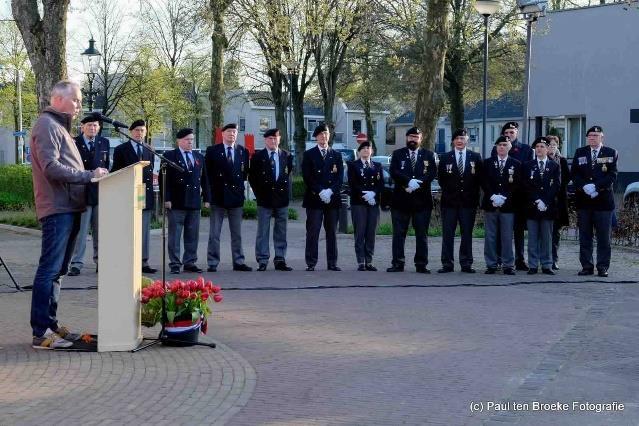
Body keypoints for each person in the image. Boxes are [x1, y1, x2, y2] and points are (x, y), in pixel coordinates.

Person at [29, 80, 108, 349]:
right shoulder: (46, 125)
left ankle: (51, 324)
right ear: (58, 99)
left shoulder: (60, 127)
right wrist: (88, 176)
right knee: (49, 269)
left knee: (59, 270)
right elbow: (50, 167)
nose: (79, 104)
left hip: (70, 207)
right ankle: (40, 332)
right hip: (57, 208)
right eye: (76, 99)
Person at [386, 127, 437, 273]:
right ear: (406, 138)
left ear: (421, 139)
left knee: (422, 234)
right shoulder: (397, 154)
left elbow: (432, 173)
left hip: (422, 202)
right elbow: (394, 172)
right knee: (399, 234)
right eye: (410, 137)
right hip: (401, 201)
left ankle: (421, 264)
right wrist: (407, 182)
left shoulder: (428, 155)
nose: (413, 139)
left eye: (416, 137)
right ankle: (398, 263)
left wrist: (417, 183)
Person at [571, 125, 617, 277]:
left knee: (604, 237)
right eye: (590, 135)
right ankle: (587, 266)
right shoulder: (580, 152)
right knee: (585, 236)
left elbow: (612, 175)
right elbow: (575, 174)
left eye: (595, 135)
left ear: (601, 137)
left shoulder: (611, 152)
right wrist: (584, 186)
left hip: (603, 202)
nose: (592, 138)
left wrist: (596, 187)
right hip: (584, 202)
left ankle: (602, 267)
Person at [205, 123, 252, 272]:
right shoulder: (212, 151)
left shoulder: (242, 151)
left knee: (237, 233)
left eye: (235, 132)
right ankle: (212, 262)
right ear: (222, 134)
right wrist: (207, 195)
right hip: (218, 197)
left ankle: (238, 261)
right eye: (229, 131)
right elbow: (207, 175)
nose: (232, 134)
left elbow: (244, 174)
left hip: (235, 197)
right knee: (214, 233)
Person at [111, 119, 156, 274]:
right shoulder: (121, 150)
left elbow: (149, 174)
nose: (139, 133)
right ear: (131, 132)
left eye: (142, 130)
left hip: (143, 192)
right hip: (127, 193)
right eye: (137, 130)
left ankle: (143, 261)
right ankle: (127, 260)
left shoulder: (149, 149)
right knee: (128, 229)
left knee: (143, 229)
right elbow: (115, 172)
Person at [67, 113, 110, 276]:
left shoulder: (103, 142)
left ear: (99, 128)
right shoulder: (75, 143)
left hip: (100, 192)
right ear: (82, 127)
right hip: (82, 191)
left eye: (95, 126)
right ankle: (77, 263)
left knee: (100, 230)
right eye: (89, 125)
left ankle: (100, 261)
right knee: (81, 231)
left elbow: (106, 165)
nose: (93, 128)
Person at [163, 128, 209, 274]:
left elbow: (205, 179)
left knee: (192, 234)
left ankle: (190, 262)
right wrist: (167, 198)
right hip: (176, 202)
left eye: (191, 139)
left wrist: (207, 198)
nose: (190, 142)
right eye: (187, 140)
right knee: (175, 235)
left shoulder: (198, 157)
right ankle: (175, 263)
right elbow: (165, 180)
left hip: (194, 202)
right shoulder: (169, 156)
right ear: (179, 141)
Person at [437, 129, 483, 273]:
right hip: (449, 203)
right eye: (456, 138)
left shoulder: (475, 157)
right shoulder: (445, 157)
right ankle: (447, 264)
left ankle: (466, 263)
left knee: (467, 234)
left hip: (468, 203)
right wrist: (450, 193)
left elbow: (479, 180)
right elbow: (441, 179)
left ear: (467, 139)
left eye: (462, 138)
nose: (459, 141)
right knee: (448, 234)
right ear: (453, 141)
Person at [248, 128, 294, 271]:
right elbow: (252, 178)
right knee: (263, 231)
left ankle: (280, 258)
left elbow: (287, 175)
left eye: (275, 138)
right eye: (270, 139)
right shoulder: (257, 157)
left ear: (279, 139)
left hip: (281, 199)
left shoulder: (286, 155)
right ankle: (262, 259)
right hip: (265, 199)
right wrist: (259, 194)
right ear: (265, 140)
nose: (273, 141)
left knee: (281, 231)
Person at [302, 123, 344, 271]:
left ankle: (332, 262)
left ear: (329, 135)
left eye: (325, 134)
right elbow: (307, 177)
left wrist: (330, 191)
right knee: (313, 231)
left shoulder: (337, 155)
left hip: (332, 199)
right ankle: (311, 262)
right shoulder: (309, 155)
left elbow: (340, 178)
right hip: (315, 199)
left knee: (331, 231)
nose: (323, 137)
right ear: (316, 137)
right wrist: (320, 191)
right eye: (320, 134)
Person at [493, 122, 534, 270]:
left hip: (518, 197)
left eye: (512, 132)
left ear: (517, 132)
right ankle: (499, 258)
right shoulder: (497, 148)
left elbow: (528, 172)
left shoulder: (526, 149)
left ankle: (519, 259)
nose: (509, 135)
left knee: (518, 230)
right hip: (500, 197)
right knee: (500, 230)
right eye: (506, 133)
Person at [481, 136, 521, 275]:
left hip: (508, 205)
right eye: (499, 145)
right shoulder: (487, 163)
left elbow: (517, 185)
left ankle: (508, 265)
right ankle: (491, 264)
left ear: (509, 147)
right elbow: (484, 181)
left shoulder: (516, 164)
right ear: (496, 147)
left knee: (507, 236)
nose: (502, 147)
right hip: (491, 204)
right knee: (490, 236)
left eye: (505, 144)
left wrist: (504, 197)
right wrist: (493, 195)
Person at [523, 137, 560, 275]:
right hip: (532, 207)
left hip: (548, 207)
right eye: (537, 146)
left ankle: (547, 264)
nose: (539, 149)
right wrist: (537, 200)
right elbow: (525, 186)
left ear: (548, 149)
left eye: (542, 146)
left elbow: (556, 185)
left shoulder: (554, 166)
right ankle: (533, 265)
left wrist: (545, 201)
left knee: (547, 238)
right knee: (532, 237)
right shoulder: (527, 165)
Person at [348, 140, 384, 271]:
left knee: (371, 232)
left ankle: (369, 261)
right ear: (359, 151)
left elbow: (381, 184)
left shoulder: (377, 166)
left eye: (368, 148)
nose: (366, 150)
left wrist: (373, 194)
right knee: (360, 232)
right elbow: (353, 183)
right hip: (359, 203)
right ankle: (360, 261)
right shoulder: (353, 165)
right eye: (363, 148)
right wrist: (366, 195)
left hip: (373, 203)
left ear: (372, 151)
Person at [546, 135, 570, 270]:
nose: (552, 148)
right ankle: (543, 258)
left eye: (554, 145)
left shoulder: (562, 161)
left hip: (558, 202)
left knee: (556, 233)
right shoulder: (539, 161)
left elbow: (566, 179)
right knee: (543, 233)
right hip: (543, 201)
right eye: (549, 145)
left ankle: (554, 259)